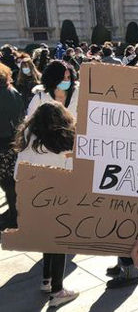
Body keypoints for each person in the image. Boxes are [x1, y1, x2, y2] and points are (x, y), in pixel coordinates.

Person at [13, 102, 78, 307]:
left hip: (33, 200)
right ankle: (58, 291)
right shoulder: (64, 145)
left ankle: (46, 280)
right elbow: (72, 175)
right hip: (58, 200)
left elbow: (17, 174)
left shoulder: (27, 140)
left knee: (46, 241)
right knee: (58, 243)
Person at [0, 63, 24, 229]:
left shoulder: (5, 93)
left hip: (4, 143)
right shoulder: (11, 91)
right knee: (10, 182)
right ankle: (14, 212)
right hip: (12, 142)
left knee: (8, 183)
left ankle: (15, 216)